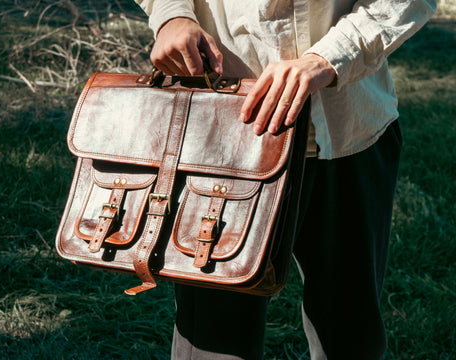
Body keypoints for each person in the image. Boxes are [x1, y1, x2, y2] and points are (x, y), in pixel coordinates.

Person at [134, 1, 436, 359]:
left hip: (348, 129)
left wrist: (328, 58)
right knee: (214, 340)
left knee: (351, 334)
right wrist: (172, 14)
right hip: (222, 132)